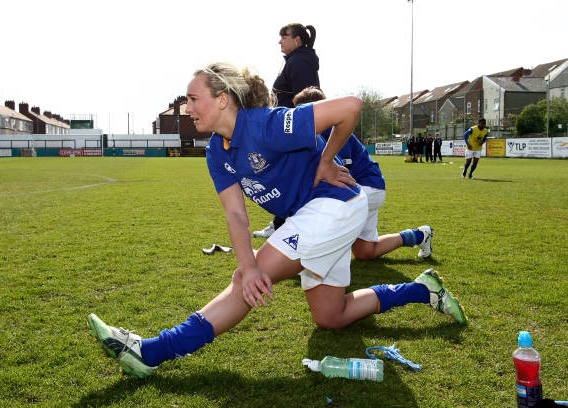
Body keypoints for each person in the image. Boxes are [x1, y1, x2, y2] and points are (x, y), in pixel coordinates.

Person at [87, 63, 467, 379]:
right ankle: (423, 290)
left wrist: (325, 159)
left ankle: (150, 352)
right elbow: (236, 213)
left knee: (247, 281)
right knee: (330, 316)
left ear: (222, 99)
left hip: (335, 206)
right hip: (314, 217)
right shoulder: (216, 153)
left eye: (192, 98)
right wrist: (247, 265)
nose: (187, 108)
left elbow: (349, 107)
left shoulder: (267, 124)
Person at [294, 86, 433, 260]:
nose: (297, 119)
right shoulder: (320, 133)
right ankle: (420, 235)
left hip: (367, 188)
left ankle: (305, 259)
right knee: (365, 252)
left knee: (323, 214)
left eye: (301, 113)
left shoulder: (333, 132)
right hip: (365, 188)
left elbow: (338, 177)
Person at [253, 23, 320, 239]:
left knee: (291, 177)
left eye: (284, 36)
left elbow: (306, 100)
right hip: (287, 129)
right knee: (288, 177)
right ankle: (281, 223)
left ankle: (286, 224)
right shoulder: (295, 60)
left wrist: (293, 130)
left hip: (293, 131)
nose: (279, 41)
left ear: (298, 39)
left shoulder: (300, 61)